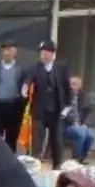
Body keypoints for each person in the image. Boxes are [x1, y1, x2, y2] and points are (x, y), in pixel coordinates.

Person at [24, 40, 72, 168]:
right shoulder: (36, 68)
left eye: (46, 54)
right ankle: (34, 165)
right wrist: (25, 87)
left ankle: (56, 166)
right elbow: (28, 79)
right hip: (39, 111)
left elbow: (68, 89)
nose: (44, 56)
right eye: (42, 53)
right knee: (36, 141)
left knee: (57, 140)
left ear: (52, 54)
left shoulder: (61, 67)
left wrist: (67, 106)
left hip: (57, 112)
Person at [0, 40, 25, 151]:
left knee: (12, 137)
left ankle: (10, 160)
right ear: (2, 52)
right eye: (5, 50)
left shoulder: (20, 69)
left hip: (14, 106)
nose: (7, 53)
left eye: (10, 50)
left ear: (15, 51)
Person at [64, 74, 95, 163]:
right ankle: (75, 158)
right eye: (70, 84)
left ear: (79, 86)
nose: (71, 86)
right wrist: (73, 122)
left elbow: (90, 111)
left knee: (90, 136)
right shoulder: (64, 96)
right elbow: (63, 113)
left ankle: (82, 158)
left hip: (80, 124)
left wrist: (85, 124)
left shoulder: (84, 96)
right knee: (81, 134)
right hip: (67, 124)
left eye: (74, 84)